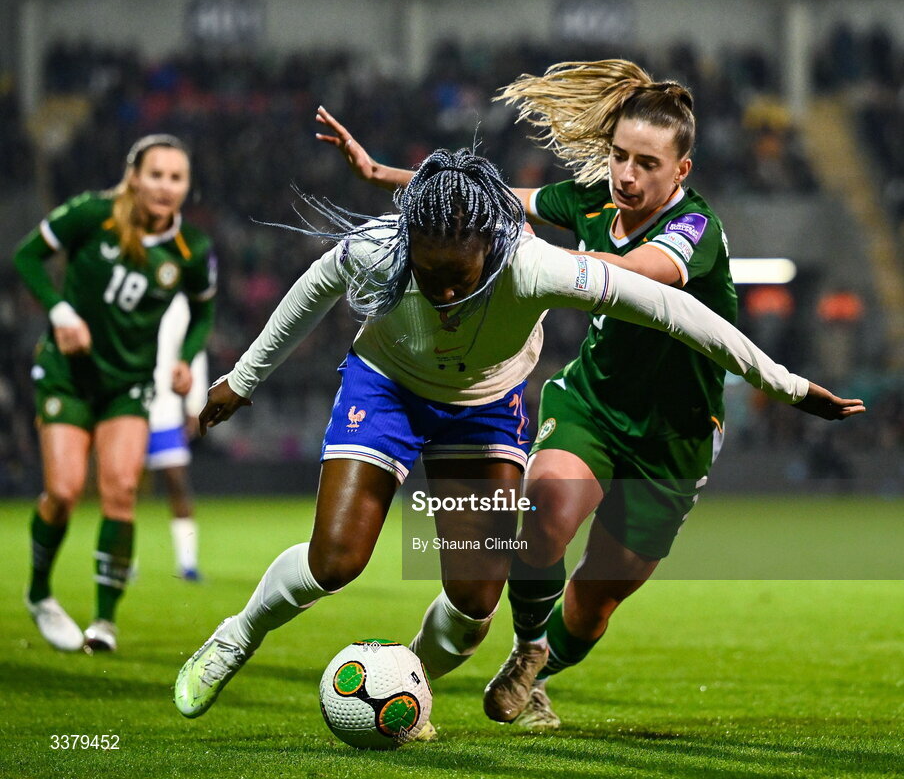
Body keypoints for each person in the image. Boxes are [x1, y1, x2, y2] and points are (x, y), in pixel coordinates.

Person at [173, 146, 860, 732]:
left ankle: (408, 684)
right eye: (428, 273)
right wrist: (242, 378)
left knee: (474, 602)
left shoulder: (534, 265)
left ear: (491, 250)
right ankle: (235, 638)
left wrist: (785, 383)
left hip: (481, 410)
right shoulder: (379, 249)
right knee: (337, 560)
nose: (442, 293)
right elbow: (312, 290)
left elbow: (673, 309)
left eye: (458, 277)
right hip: (386, 389)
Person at [314, 57, 849, 732]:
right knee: (546, 510)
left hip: (673, 439)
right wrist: (386, 176)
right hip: (590, 405)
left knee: (597, 599)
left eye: (647, 164)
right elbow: (489, 200)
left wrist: (540, 260)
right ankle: (528, 646)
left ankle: (535, 661)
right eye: (620, 157)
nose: (627, 175)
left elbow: (633, 276)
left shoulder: (696, 231)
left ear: (680, 171)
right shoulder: (593, 199)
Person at [14, 134, 216, 653]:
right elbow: (28, 257)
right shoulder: (92, 214)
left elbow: (202, 310)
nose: (166, 186)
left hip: (128, 386)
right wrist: (60, 313)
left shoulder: (191, 248)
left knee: (121, 490)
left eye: (176, 178)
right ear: (134, 176)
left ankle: (104, 623)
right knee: (62, 492)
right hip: (68, 375)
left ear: (186, 186)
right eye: (156, 175)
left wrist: (184, 358)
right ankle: (39, 592)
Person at [147, 292, 208, 581]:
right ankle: (122, 562)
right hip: (127, 404)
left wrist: (195, 404)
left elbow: (193, 351)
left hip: (165, 405)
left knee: (176, 482)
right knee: (123, 486)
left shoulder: (179, 300)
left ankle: (187, 563)